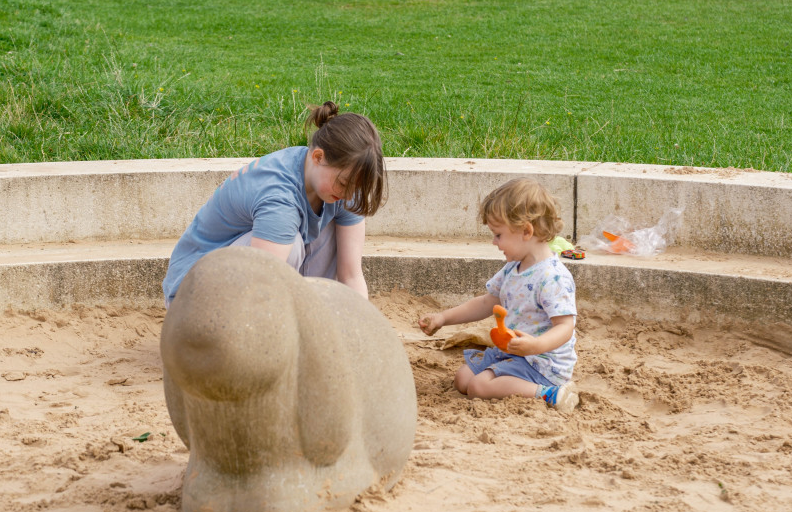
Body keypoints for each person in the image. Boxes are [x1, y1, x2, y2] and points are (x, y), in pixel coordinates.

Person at [162, 101, 386, 305]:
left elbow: (351, 276)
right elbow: (264, 289)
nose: (349, 194)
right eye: (344, 183)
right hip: (192, 298)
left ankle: (318, 315)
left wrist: (361, 331)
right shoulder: (279, 196)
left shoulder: (339, 181)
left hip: (252, 275)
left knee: (333, 224)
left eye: (355, 187)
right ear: (318, 157)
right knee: (291, 244)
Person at [418, 179, 579, 411]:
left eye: (498, 235)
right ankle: (512, 381)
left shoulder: (553, 277)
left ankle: (550, 394)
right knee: (463, 379)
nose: (494, 242)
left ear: (526, 231)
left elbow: (565, 327)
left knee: (478, 388)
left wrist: (535, 345)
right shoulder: (513, 268)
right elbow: (486, 303)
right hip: (512, 352)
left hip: (541, 362)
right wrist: (443, 318)